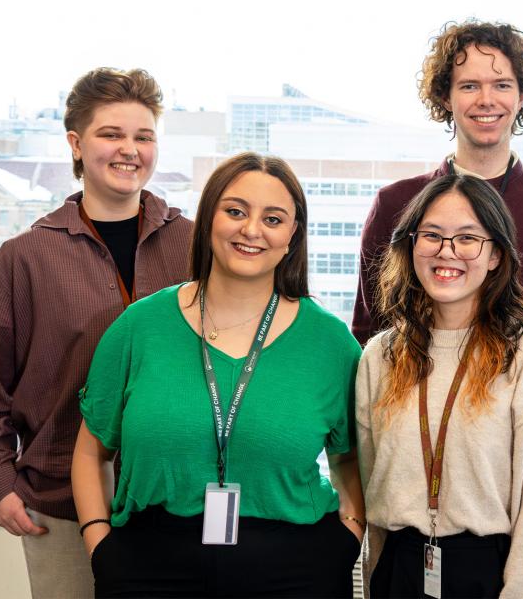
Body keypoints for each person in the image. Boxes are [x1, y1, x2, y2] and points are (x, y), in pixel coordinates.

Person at [72, 152, 365, 598]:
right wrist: (100, 545)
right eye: (235, 211)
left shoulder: (329, 342)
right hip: (149, 568)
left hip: (296, 572)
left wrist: (348, 540)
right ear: (208, 220)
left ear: (292, 236)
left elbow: (350, 461)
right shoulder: (139, 327)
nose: (251, 230)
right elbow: (91, 453)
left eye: (273, 218)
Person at [0, 67, 192, 598]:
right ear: (77, 144)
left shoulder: (195, 247)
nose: (129, 150)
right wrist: (0, 488)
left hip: (178, 505)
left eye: (143, 136)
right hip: (58, 510)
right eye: (112, 134)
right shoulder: (23, 260)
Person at [357, 174, 523, 598]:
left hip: (487, 572)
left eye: (467, 238)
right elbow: (373, 487)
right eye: (432, 235)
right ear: (411, 245)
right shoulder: (380, 357)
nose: (447, 252)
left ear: (495, 254)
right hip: (399, 568)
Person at [352, 19, 523, 346]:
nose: (486, 99)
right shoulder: (396, 203)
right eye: (469, 86)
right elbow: (371, 330)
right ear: (445, 97)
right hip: (416, 390)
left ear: (522, 96)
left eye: (502, 85)